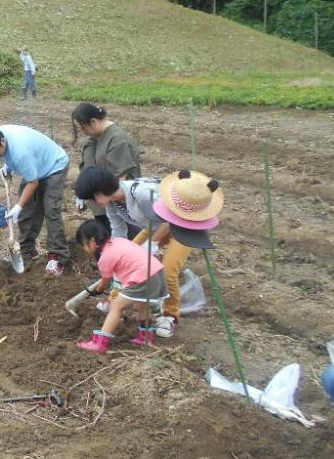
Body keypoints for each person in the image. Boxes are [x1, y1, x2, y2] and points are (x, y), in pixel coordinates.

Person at [0, 125, 70, 277]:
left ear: (2, 141)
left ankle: (58, 256)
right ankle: (27, 251)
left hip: (54, 166)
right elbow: (9, 156)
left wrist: (18, 206)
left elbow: (33, 183)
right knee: (28, 210)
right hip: (35, 165)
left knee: (51, 210)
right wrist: (7, 165)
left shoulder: (21, 153)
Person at [146, 169, 223, 338]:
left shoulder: (196, 203)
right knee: (136, 246)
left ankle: (170, 315)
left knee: (168, 272)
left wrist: (154, 243)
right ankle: (118, 293)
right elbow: (162, 223)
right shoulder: (179, 192)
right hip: (167, 222)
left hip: (188, 230)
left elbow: (169, 225)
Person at [75, 220, 168, 354]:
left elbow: (106, 280)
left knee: (116, 306)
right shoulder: (119, 241)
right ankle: (146, 337)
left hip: (143, 277)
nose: (84, 249)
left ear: (93, 241)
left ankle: (100, 343)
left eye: (84, 245)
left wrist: (98, 290)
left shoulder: (105, 257)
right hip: (156, 273)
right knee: (142, 304)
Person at [72, 103, 141, 230]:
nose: (84, 132)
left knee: (125, 240)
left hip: (122, 208)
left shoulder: (117, 140)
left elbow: (120, 180)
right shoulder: (94, 139)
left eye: (83, 128)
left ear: (93, 121)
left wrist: (104, 198)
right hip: (103, 206)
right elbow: (88, 166)